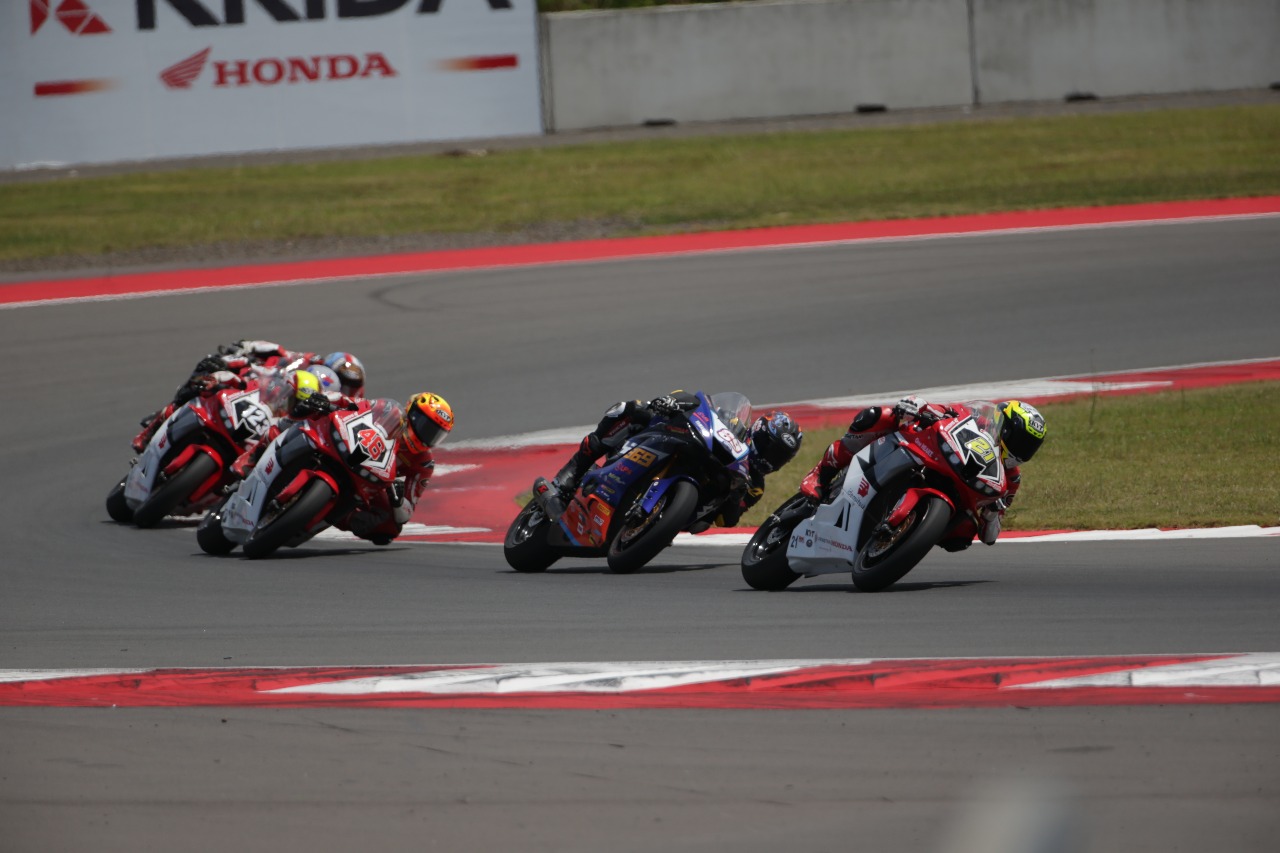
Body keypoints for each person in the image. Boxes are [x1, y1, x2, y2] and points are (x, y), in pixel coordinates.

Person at [799, 395, 1047, 547]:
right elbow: (945, 410)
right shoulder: (977, 420)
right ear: (1005, 428)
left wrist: (993, 513)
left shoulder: (1010, 479)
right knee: (880, 416)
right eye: (1021, 441)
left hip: (954, 497)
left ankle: (910, 537)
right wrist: (919, 405)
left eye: (1030, 447)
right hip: (928, 452)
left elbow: (990, 537)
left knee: (963, 533)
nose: (1022, 450)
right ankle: (821, 473)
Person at [532, 392, 803, 526]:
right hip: (683, 444)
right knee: (632, 409)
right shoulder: (733, 423)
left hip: (686, 511)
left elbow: (726, 521)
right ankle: (569, 477)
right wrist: (672, 403)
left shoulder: (755, 485)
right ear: (758, 433)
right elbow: (699, 404)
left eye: (780, 456)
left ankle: (653, 521)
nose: (771, 458)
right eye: (770, 448)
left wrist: (735, 494)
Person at [345, 392, 454, 545]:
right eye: (425, 426)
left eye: (434, 434)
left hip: (371, 481)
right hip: (347, 447)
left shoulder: (424, 463)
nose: (427, 435)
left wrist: (398, 500)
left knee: (391, 527)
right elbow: (352, 403)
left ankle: (342, 517)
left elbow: (406, 514)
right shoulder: (388, 410)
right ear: (412, 414)